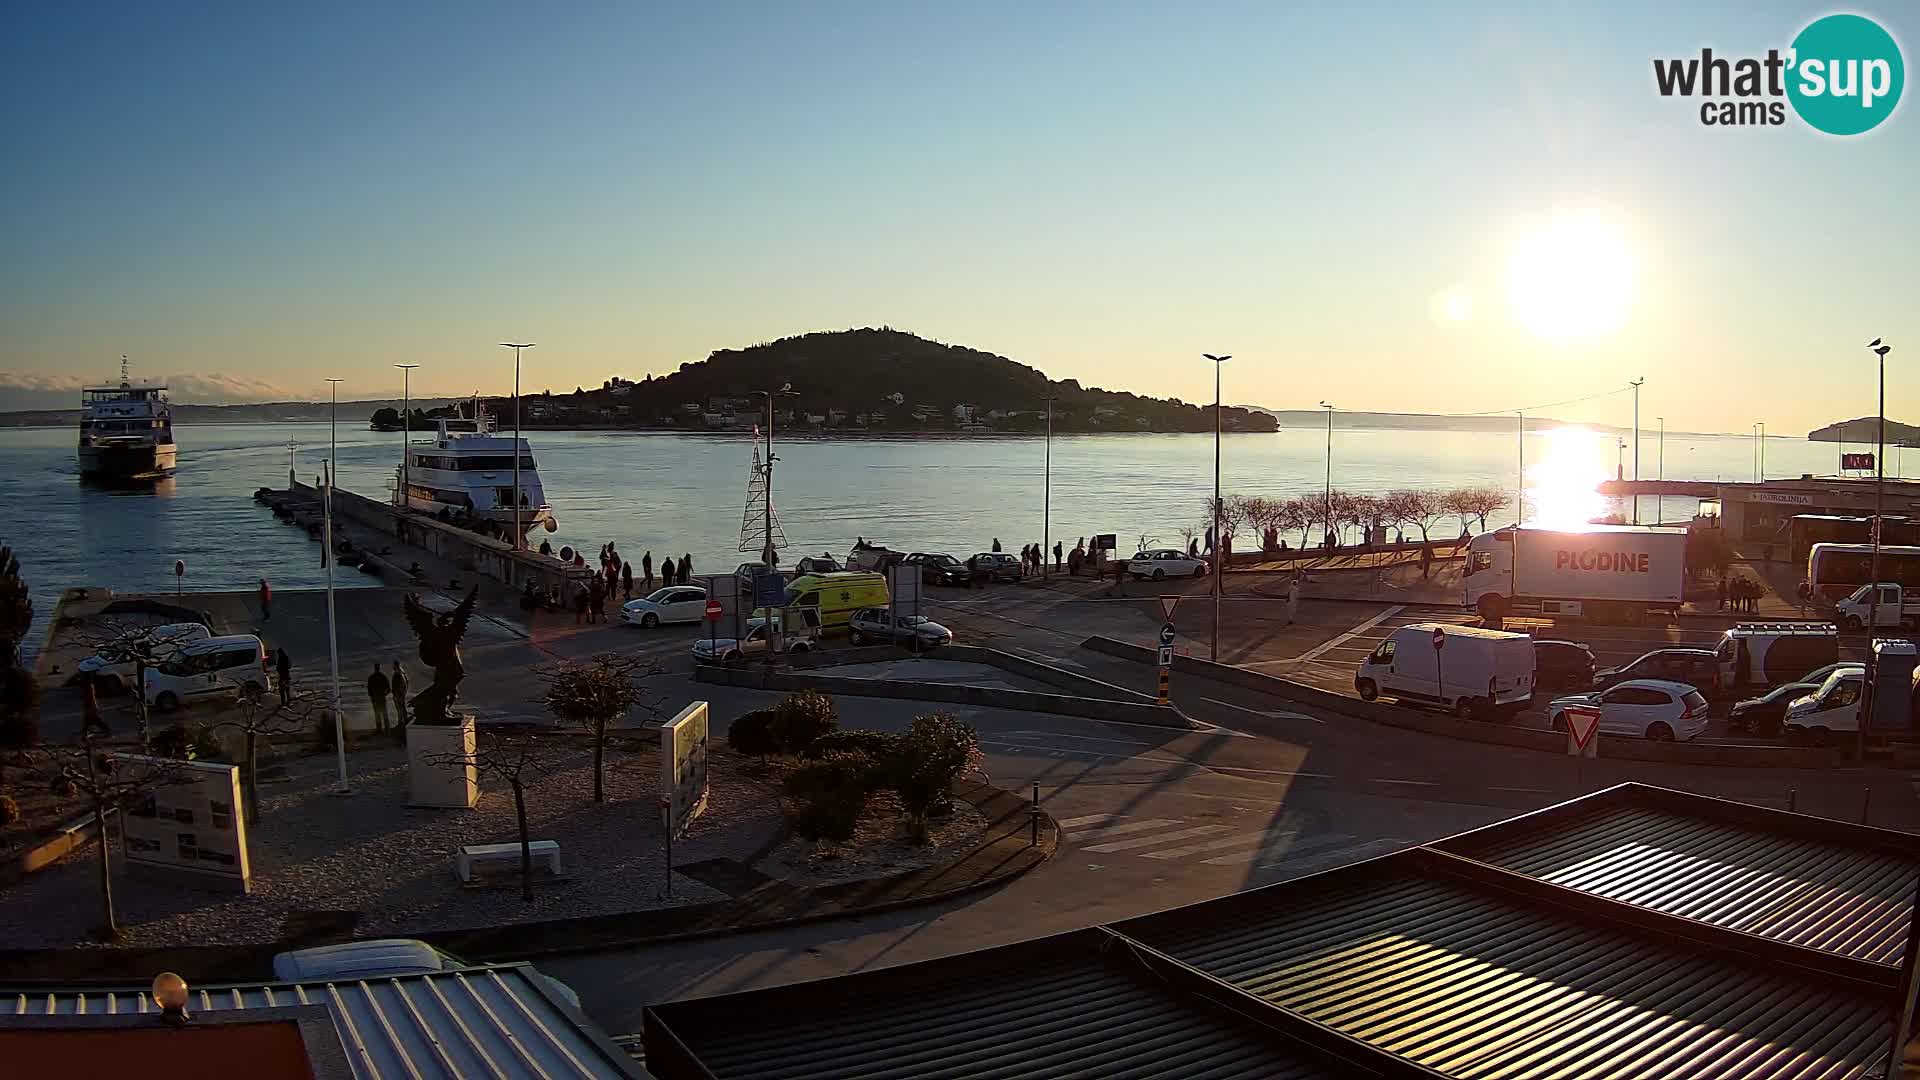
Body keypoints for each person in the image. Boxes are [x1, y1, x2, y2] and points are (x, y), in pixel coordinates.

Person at [366, 664, 391, 734]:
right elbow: (389, 689)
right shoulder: (383, 677)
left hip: (375, 699)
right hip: (381, 698)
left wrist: (372, 697)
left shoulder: (371, 678)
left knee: (378, 714)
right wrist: (384, 694)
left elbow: (369, 690)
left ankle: (379, 730)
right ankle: (387, 729)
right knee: (384, 713)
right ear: (379, 668)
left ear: (375, 668)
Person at [390, 661, 409, 728]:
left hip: (398, 694)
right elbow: (406, 684)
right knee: (402, 708)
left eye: (394, 666)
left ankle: (401, 723)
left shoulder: (397, 675)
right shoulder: (403, 674)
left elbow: (397, 686)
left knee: (400, 709)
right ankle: (404, 721)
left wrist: (397, 693)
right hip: (401, 694)